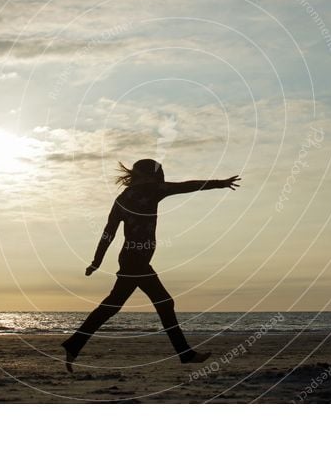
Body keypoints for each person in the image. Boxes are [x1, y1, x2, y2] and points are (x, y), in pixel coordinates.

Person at [62, 159, 241, 372]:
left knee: (113, 306)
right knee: (163, 303)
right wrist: (219, 183)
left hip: (130, 258)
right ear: (149, 175)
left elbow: (108, 233)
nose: (162, 175)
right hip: (135, 260)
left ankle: (74, 344)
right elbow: (188, 186)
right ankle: (186, 354)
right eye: (159, 172)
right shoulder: (154, 190)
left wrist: (97, 261)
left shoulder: (123, 198)